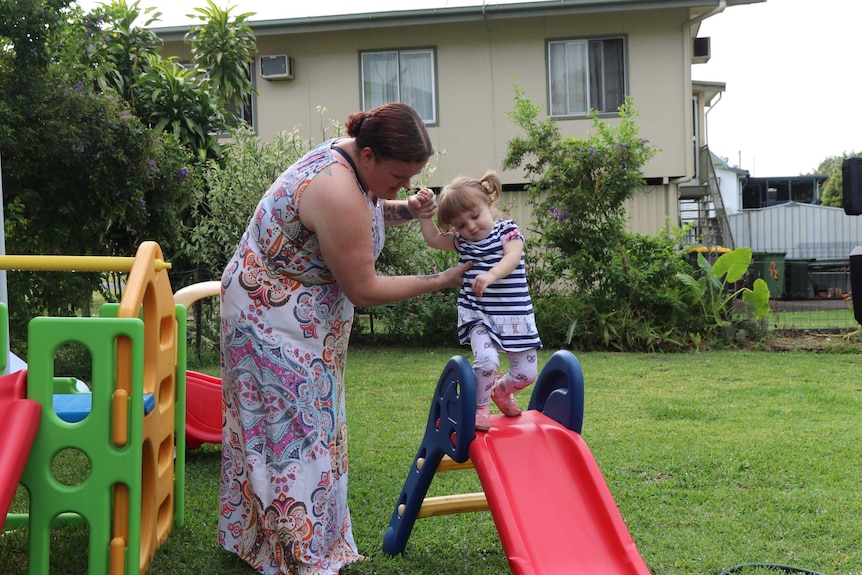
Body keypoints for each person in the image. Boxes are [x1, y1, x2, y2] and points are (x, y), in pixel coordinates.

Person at [218, 102, 471, 575]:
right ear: (370, 154)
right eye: (398, 178)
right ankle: (296, 553)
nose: (401, 187)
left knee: (313, 428)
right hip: (268, 319)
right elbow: (364, 287)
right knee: (291, 435)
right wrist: (440, 280)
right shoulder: (334, 187)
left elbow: (367, 212)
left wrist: (402, 209)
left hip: (302, 320)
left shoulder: (355, 167)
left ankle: (271, 541)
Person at [417, 171, 542, 431]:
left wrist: (491, 274)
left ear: (488, 204)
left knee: (526, 375)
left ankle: (501, 391)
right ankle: (480, 407)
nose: (470, 227)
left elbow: (512, 257)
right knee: (487, 362)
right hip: (479, 315)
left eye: (474, 216)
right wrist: (424, 215)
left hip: (514, 316)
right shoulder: (463, 242)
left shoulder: (508, 231)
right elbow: (432, 239)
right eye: (460, 224)